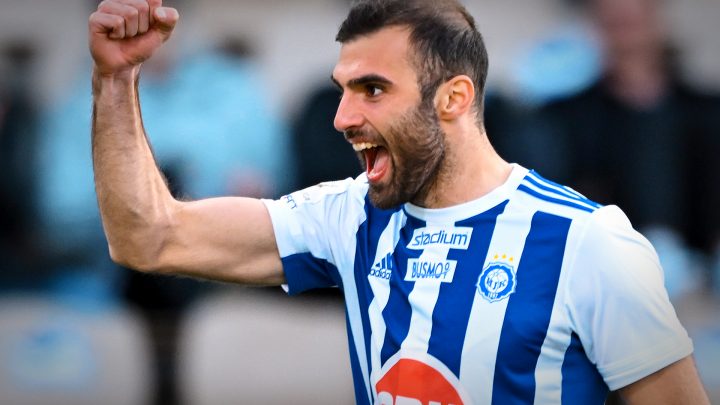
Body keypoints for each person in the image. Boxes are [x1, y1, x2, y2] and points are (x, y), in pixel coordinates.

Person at [88, 0, 710, 403]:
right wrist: (116, 80)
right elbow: (150, 236)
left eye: (372, 90)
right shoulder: (347, 216)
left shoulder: (589, 242)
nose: (341, 117)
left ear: (455, 98)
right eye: (342, 89)